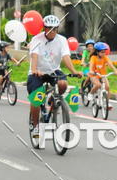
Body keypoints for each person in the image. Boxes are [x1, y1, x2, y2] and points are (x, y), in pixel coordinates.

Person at [27, 15, 82, 147]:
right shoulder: (36, 39)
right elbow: (34, 56)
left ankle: (54, 101)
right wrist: (34, 70)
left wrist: (74, 71)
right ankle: (35, 126)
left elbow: (66, 57)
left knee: (63, 84)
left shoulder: (62, 40)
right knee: (36, 99)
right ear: (44, 28)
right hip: (38, 72)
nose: (53, 32)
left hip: (54, 70)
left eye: (55, 29)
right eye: (50, 29)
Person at [86, 41, 117, 109]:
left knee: (107, 87)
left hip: (102, 75)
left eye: (104, 52)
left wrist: (115, 70)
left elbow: (110, 64)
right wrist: (91, 71)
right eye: (102, 52)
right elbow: (91, 65)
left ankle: (107, 103)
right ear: (97, 52)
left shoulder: (105, 57)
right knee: (98, 85)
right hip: (94, 75)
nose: (104, 53)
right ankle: (91, 93)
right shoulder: (93, 58)